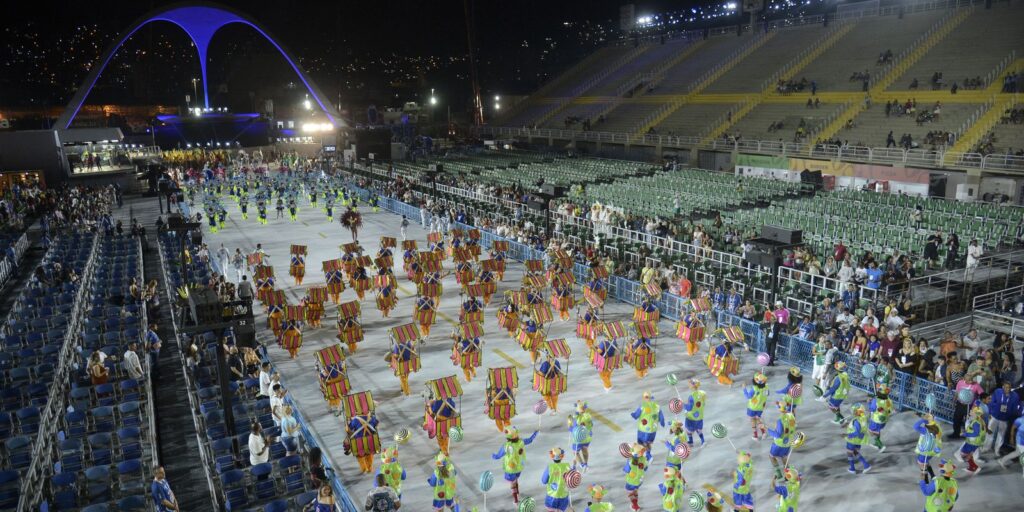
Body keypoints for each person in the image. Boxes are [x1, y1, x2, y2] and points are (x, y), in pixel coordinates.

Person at [492, 426, 539, 505]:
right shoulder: (521, 442)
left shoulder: (506, 446)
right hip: (519, 467)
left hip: (510, 468)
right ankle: (517, 493)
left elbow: (499, 455)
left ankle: (516, 500)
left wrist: (494, 456)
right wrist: (535, 434)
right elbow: (530, 440)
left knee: (512, 483)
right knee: (516, 479)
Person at [988, 381, 1019, 455]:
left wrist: (1009, 416)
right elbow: (991, 402)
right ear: (1003, 387)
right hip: (995, 416)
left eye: (1009, 388)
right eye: (1006, 387)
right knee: (989, 433)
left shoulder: (1015, 396)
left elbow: (1014, 409)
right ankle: (986, 448)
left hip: (1004, 419)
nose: (1007, 389)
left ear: (1011, 388)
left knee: (1001, 436)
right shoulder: (998, 392)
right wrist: (990, 412)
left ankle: (997, 450)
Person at [622, 443, 652, 512]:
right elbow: (645, 468)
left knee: (630, 492)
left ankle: (635, 506)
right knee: (635, 491)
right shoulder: (643, 459)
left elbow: (626, 470)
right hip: (639, 480)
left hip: (631, 481)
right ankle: (636, 504)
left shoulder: (630, 461)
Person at [958, 405, 987, 473]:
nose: (971, 411)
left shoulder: (976, 423)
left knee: (963, 454)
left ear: (976, 414)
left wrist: (964, 434)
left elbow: (975, 434)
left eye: (972, 411)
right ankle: (973, 467)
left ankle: (973, 467)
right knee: (968, 454)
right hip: (976, 442)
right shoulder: (980, 420)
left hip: (973, 442)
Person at [844, 404, 872, 474]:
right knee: (855, 452)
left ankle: (852, 468)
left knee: (849, 453)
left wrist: (848, 435)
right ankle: (865, 465)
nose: (854, 412)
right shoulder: (864, 418)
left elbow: (856, 432)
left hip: (852, 440)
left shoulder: (856, 421)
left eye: (855, 411)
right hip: (859, 440)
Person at [867, 384, 894, 452]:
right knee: (877, 431)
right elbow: (890, 410)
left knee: (871, 431)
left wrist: (869, 402)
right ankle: (877, 444)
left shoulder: (876, 400)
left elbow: (872, 409)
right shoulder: (889, 400)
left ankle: (881, 445)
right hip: (884, 420)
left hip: (876, 420)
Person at [568, 401, 593, 470]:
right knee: (585, 450)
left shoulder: (577, 417)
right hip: (587, 438)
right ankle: (586, 464)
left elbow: (575, 429)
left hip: (578, 438)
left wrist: (570, 427)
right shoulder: (588, 416)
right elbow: (591, 426)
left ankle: (582, 464)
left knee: (575, 452)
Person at [744, 372, 769, 440]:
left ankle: (755, 436)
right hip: (760, 408)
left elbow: (748, 396)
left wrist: (744, 389)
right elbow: (767, 395)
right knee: (758, 420)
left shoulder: (754, 388)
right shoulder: (766, 388)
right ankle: (764, 433)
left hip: (752, 408)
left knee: (753, 421)